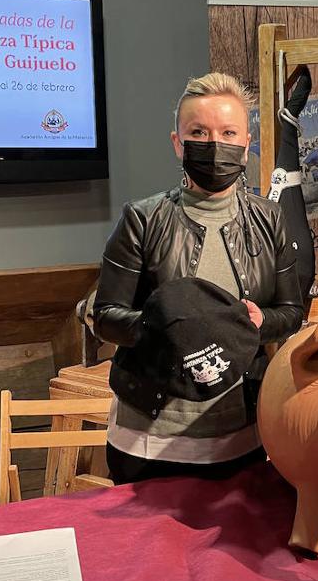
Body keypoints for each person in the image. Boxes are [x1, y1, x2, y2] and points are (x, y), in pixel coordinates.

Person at [91, 72, 305, 484]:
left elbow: (291, 311)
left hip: (241, 433)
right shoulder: (142, 219)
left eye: (228, 133)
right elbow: (105, 317)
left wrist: (260, 321)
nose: (214, 144)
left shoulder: (270, 218)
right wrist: (163, 327)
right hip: (149, 437)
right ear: (178, 143)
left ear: (246, 143)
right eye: (199, 132)